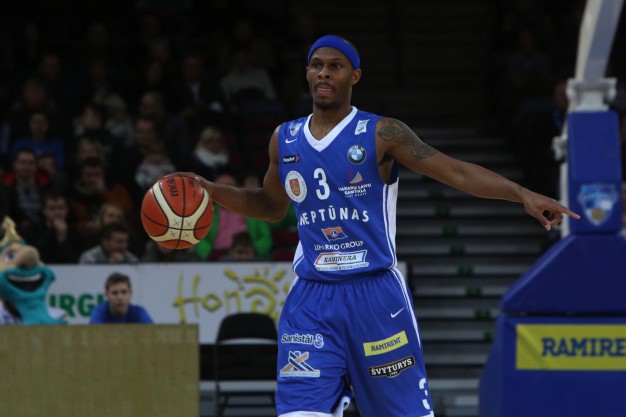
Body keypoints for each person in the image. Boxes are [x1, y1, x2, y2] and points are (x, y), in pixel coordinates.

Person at [171, 35, 580, 417]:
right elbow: (270, 206)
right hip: (311, 300)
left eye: (335, 66)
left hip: (375, 298)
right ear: (307, 73)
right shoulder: (285, 137)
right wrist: (212, 190)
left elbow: (455, 171)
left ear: (355, 76)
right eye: (317, 65)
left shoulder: (382, 132)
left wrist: (521, 193)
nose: (324, 73)